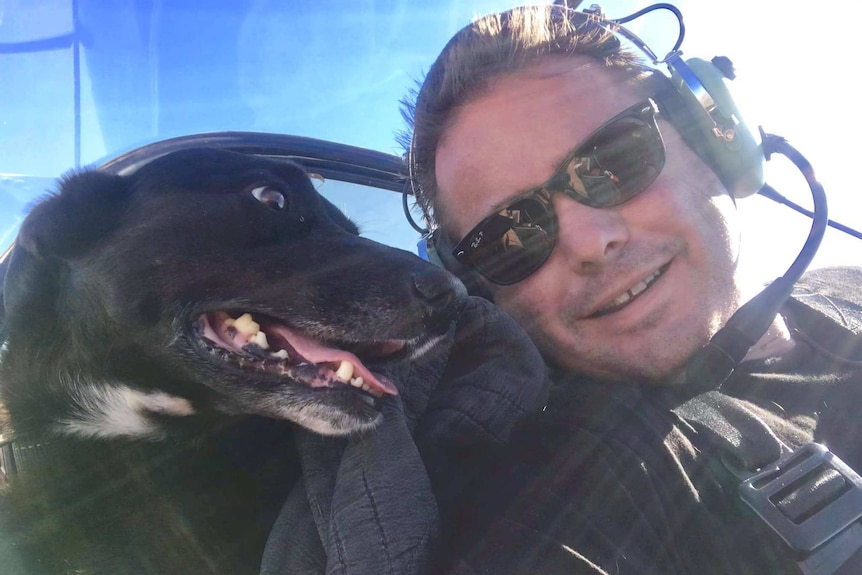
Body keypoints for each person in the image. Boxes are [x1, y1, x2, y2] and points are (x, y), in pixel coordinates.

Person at [401, 4, 862, 575]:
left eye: (614, 158)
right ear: (483, 292)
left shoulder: (851, 288)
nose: (592, 242)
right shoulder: (570, 493)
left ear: (712, 136)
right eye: (509, 236)